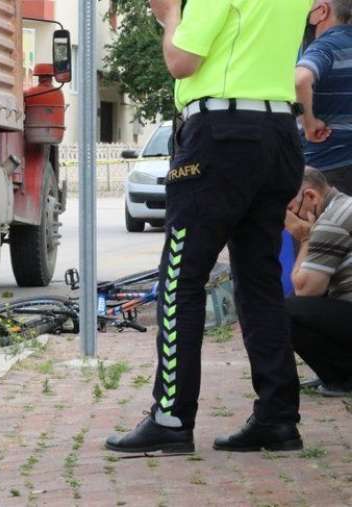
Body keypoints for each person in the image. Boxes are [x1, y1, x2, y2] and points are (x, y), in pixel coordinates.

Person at [105, 0, 311, 454]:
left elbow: (182, 61)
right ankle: (277, 418)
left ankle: (171, 417)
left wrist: (168, 18)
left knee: (182, 277)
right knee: (259, 282)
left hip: (220, 134)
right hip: (278, 132)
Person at [285, 168, 352, 396]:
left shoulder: (330, 221)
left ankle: (342, 378)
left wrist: (305, 238)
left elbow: (305, 290)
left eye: (292, 209)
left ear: (311, 196)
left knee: (285, 311)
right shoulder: (344, 206)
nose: (293, 218)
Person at [296, 0, 352, 195]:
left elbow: (300, 80)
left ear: (322, 12)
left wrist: (308, 122)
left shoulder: (326, 47)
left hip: (327, 167)